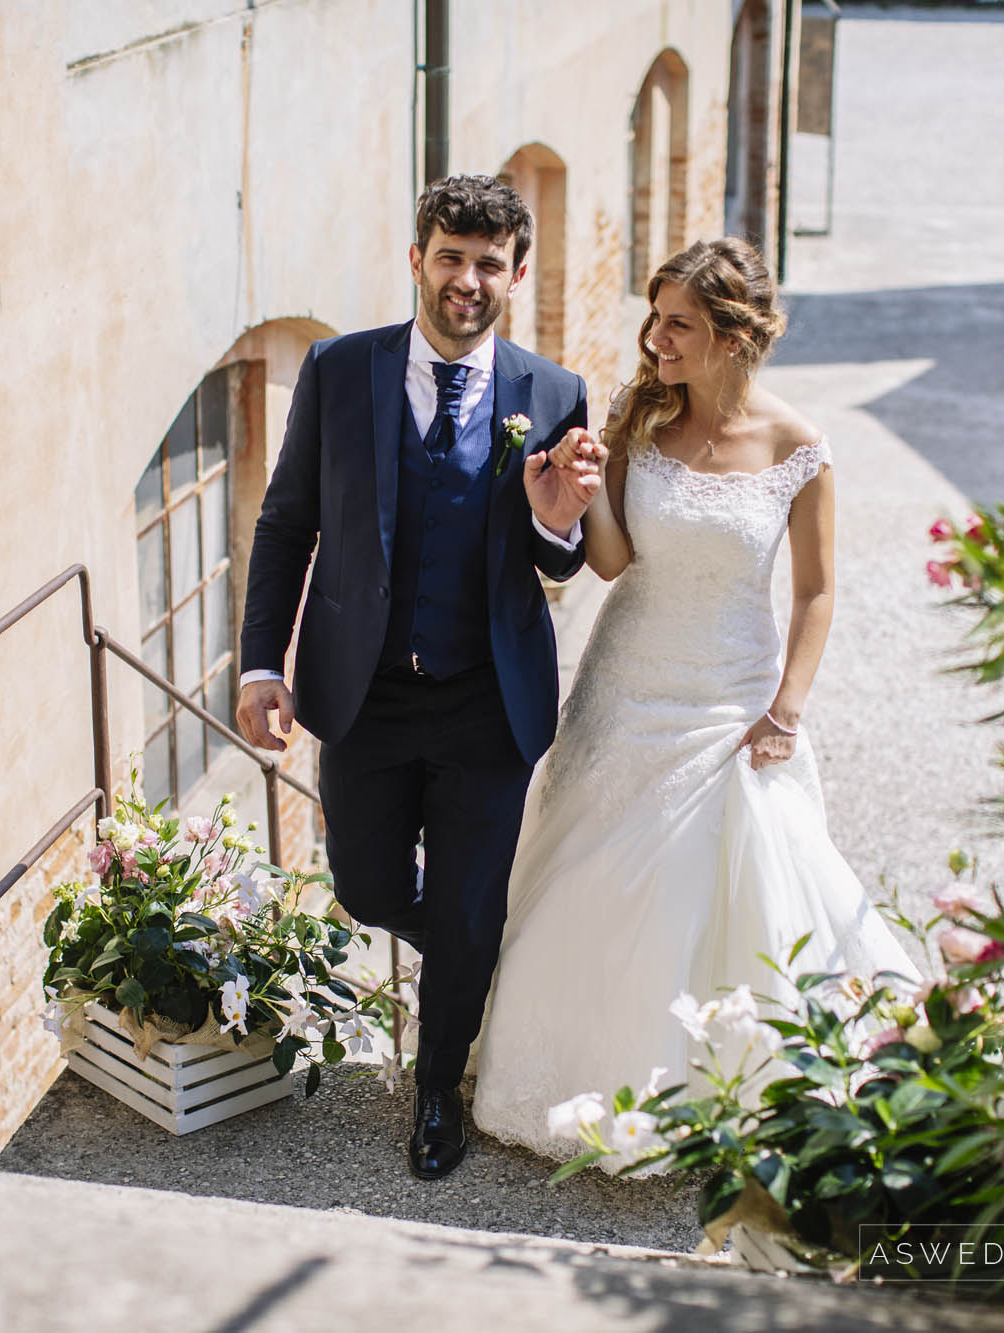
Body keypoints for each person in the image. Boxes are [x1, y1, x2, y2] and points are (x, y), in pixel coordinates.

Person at [471, 237, 921, 1157]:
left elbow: (818, 591)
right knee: (590, 882)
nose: (655, 336)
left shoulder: (799, 449)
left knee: (743, 884)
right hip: (627, 685)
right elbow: (612, 559)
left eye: (678, 321)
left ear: (731, 333)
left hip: (734, 699)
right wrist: (583, 493)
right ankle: (581, 1083)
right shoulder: (639, 412)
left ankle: (736, 1096)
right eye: (655, 314)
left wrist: (787, 708)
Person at [236, 174, 605, 1180]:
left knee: (467, 899)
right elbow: (285, 525)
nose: (467, 280)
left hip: (490, 698)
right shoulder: (336, 371)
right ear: (416, 259)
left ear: (515, 274)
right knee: (361, 884)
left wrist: (555, 514)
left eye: (489, 263)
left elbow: (560, 559)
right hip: (364, 690)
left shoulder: (553, 391)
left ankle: (436, 1089)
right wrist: (261, 661)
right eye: (449, 257)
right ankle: (467, 944)